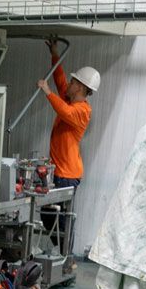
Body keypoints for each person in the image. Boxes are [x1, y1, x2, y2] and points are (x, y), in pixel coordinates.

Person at [35, 37, 100, 189]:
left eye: (72, 82)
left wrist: (47, 91)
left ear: (79, 88)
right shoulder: (71, 100)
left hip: (66, 175)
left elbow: (66, 112)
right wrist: (54, 54)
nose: (68, 84)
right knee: (50, 213)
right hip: (59, 172)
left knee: (56, 213)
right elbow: (60, 81)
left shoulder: (83, 111)